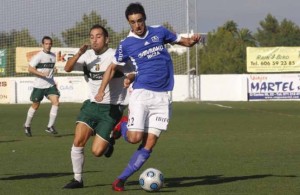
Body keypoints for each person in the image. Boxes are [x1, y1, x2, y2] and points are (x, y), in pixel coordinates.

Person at [95, 2, 201, 191]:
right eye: (133, 22)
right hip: (142, 93)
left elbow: (182, 41)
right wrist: (102, 89)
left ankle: (120, 180)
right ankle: (122, 125)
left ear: (145, 18)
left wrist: (192, 41)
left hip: (163, 96)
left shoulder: (160, 32)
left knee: (149, 143)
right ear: (129, 23)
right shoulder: (126, 44)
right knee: (135, 138)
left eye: (140, 20)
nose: (137, 25)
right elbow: (112, 67)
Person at [63, 24, 134, 189]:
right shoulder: (87, 55)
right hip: (91, 105)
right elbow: (67, 68)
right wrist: (79, 53)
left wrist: (128, 78)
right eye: (92, 37)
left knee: (97, 152)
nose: (94, 40)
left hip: (111, 108)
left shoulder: (116, 55)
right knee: (78, 140)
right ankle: (78, 180)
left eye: (99, 36)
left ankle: (113, 135)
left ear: (107, 39)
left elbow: (132, 71)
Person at [23, 36, 60, 137]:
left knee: (56, 102)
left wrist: (54, 70)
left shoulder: (53, 55)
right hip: (39, 85)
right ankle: (27, 125)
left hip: (50, 84)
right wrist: (41, 74)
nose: (48, 46)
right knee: (36, 105)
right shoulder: (39, 56)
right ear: (42, 45)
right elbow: (30, 69)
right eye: (46, 44)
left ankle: (50, 126)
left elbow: (50, 68)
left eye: (50, 44)